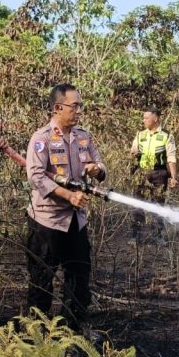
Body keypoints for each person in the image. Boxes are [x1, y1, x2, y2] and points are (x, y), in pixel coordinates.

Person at [25, 83, 107, 330]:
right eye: (75, 106)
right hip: (47, 222)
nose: (79, 110)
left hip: (76, 222)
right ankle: (36, 335)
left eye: (81, 105)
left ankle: (71, 332)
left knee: (79, 280)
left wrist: (97, 169)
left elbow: (100, 164)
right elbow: (36, 177)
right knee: (42, 281)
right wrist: (68, 196)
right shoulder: (41, 139)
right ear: (58, 108)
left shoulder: (84, 136)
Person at [129, 107, 179, 239]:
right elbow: (133, 149)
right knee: (137, 203)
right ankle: (137, 236)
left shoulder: (167, 136)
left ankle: (158, 236)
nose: (143, 120)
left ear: (155, 118)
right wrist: (134, 153)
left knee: (158, 205)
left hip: (159, 174)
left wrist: (173, 177)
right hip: (141, 173)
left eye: (146, 118)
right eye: (143, 118)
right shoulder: (140, 134)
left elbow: (171, 157)